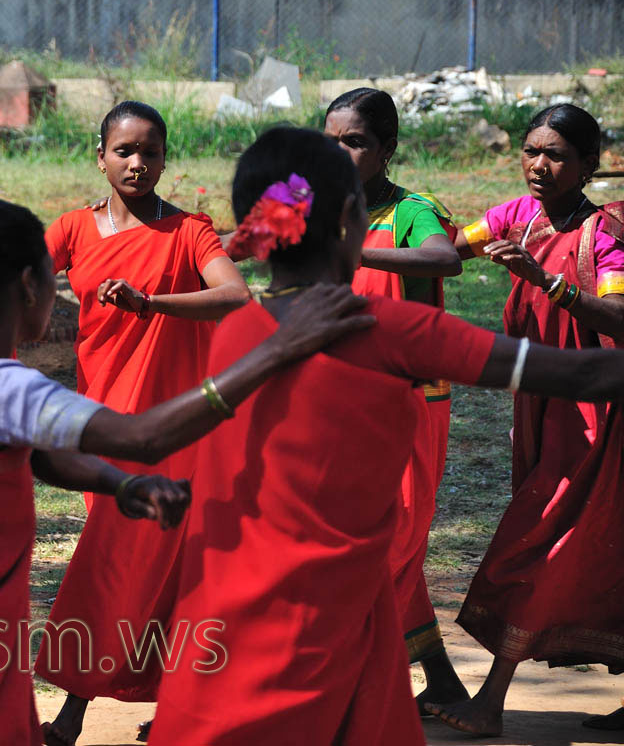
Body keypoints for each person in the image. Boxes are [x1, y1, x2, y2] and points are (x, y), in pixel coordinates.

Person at [0, 198, 379, 745]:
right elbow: (143, 435)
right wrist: (275, 351)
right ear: (33, 286)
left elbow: (36, 453)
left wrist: (120, 484)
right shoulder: (1, 385)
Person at [146, 126, 624, 746]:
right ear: (350, 219)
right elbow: (588, 372)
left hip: (226, 618)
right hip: (329, 619)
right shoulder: (392, 330)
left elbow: (156, 441)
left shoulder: (239, 335)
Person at [36, 100, 251, 744]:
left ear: (165, 158)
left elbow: (236, 295)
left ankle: (81, 714)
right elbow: (17, 282)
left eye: (150, 151)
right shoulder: (72, 229)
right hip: (104, 422)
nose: (137, 163)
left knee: (139, 560)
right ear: (98, 155)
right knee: (129, 561)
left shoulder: (190, 231)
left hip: (175, 427)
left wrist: (150, 301)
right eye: (124, 150)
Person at [426, 103, 624, 736]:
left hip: (596, 416)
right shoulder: (517, 215)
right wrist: (409, 214)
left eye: (557, 154)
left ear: (590, 165)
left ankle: (490, 703)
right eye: (532, 150)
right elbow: (451, 249)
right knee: (593, 543)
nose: (539, 164)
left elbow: (617, 318)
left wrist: (547, 282)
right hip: (541, 407)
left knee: (540, 539)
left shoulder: (606, 234)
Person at [322, 87, 467, 712]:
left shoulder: (411, 209)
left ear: (386, 149)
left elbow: (442, 259)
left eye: (353, 142)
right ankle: (438, 680)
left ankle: (349, 687)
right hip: (331, 400)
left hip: (408, 401)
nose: (338, 153)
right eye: (329, 141)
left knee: (391, 541)